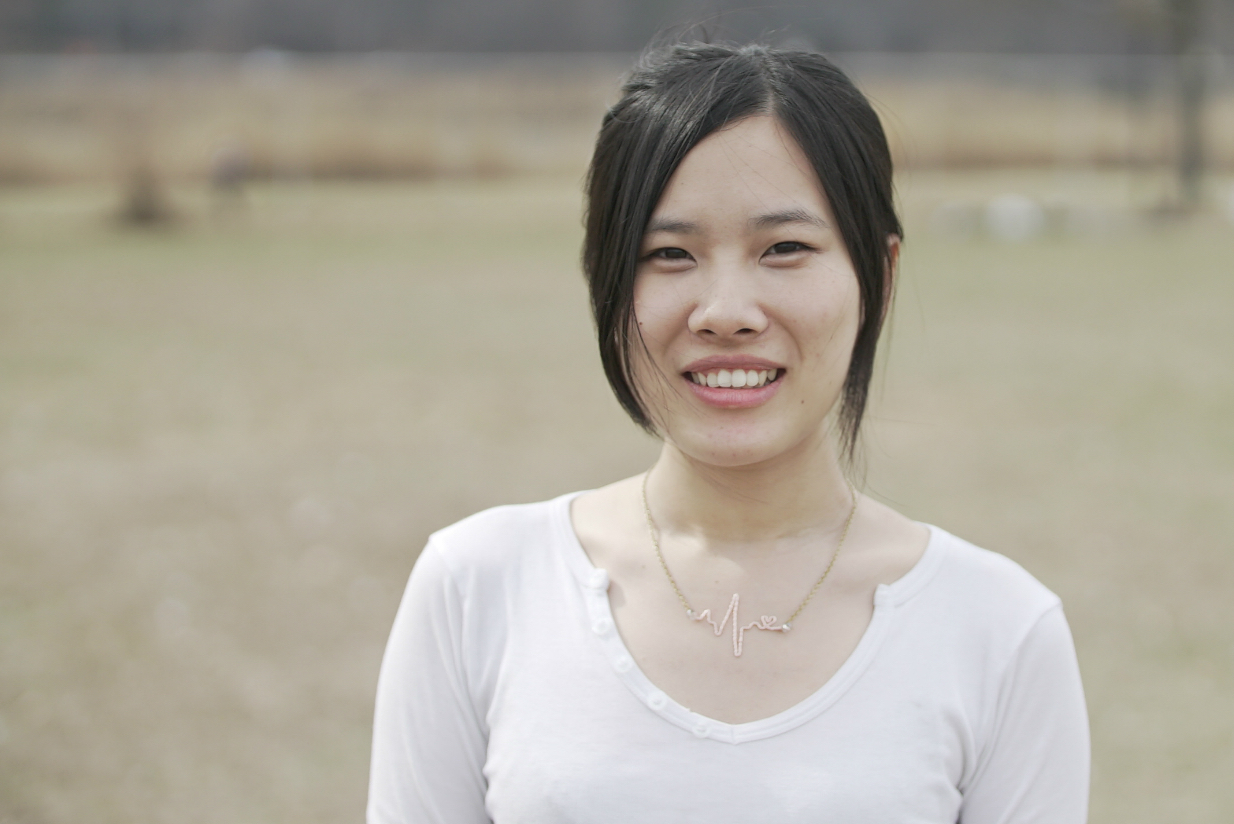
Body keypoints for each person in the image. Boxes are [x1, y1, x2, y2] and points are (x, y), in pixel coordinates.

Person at [367, 42, 1090, 824]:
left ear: (879, 277)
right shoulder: (479, 588)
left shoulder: (1000, 629)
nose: (726, 310)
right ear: (606, 283)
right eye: (670, 254)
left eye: (784, 249)